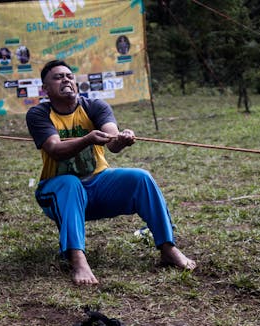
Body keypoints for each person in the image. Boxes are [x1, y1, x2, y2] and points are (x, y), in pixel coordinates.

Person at [26, 60, 196, 285]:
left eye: (69, 76)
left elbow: (113, 143)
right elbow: (55, 150)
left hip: (98, 184)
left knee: (141, 178)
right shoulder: (38, 114)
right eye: (57, 77)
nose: (65, 79)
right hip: (56, 190)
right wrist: (87, 138)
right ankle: (77, 260)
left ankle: (168, 248)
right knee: (70, 183)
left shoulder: (95, 106)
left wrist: (122, 138)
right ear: (45, 89)